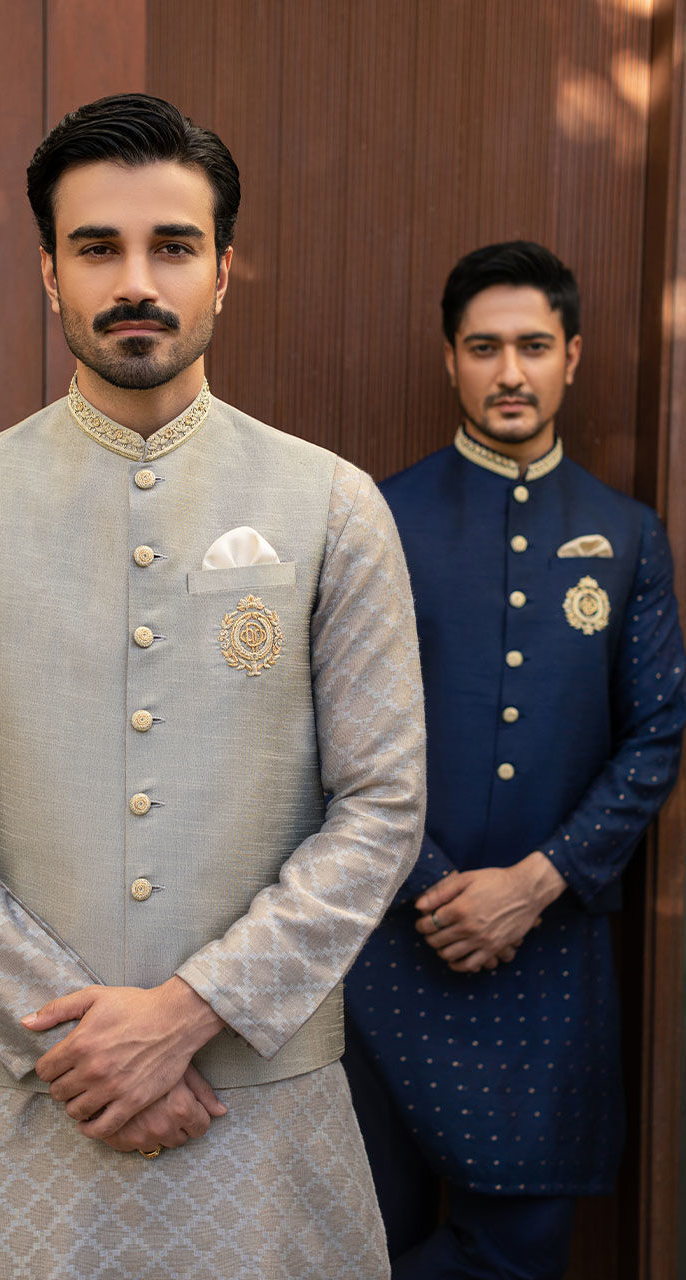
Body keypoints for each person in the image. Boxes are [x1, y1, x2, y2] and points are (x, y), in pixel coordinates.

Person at [0, 93, 426, 1279]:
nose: (136, 282)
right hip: (13, 1110)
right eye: (97, 247)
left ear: (223, 270)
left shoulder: (332, 506)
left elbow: (382, 805)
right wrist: (82, 1042)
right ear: (48, 272)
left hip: (256, 1109)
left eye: (171, 246)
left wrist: (186, 1013)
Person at [344, 240, 686, 1279]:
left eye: (533, 345)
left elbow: (655, 734)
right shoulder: (379, 518)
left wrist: (534, 886)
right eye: (484, 347)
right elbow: (333, 730)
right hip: (390, 945)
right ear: (449, 359)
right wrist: (437, 888)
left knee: (522, 1253)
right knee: (367, 1240)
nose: (509, 371)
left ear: (571, 356)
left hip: (550, 950)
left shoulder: (627, 534)